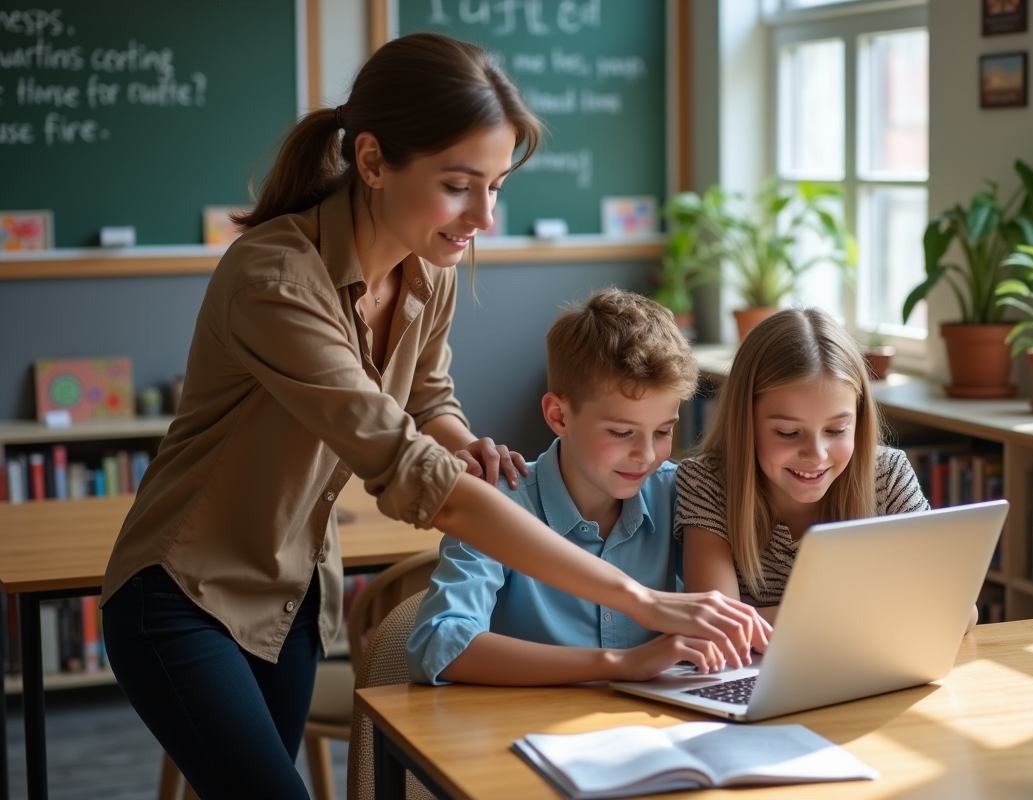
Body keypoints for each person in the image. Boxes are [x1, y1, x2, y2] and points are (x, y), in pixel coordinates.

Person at [98, 33, 766, 799]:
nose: (484, 215)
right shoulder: (275, 280)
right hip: (183, 591)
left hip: (292, 592)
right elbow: (416, 476)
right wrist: (642, 600)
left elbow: (426, 401)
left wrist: (465, 443)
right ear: (373, 162)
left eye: (497, 186)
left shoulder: (428, 262)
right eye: (458, 185)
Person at [408, 289, 731, 686]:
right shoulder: (497, 499)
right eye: (621, 432)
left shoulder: (681, 495)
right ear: (558, 416)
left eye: (664, 431)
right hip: (528, 721)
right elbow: (438, 645)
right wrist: (620, 663)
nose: (647, 455)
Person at [676, 307, 978, 631]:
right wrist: (870, 611)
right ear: (744, 422)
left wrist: (789, 619)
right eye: (788, 433)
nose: (816, 455)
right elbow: (720, 627)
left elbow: (959, 612)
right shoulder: (706, 483)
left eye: (836, 430)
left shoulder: (887, 475)